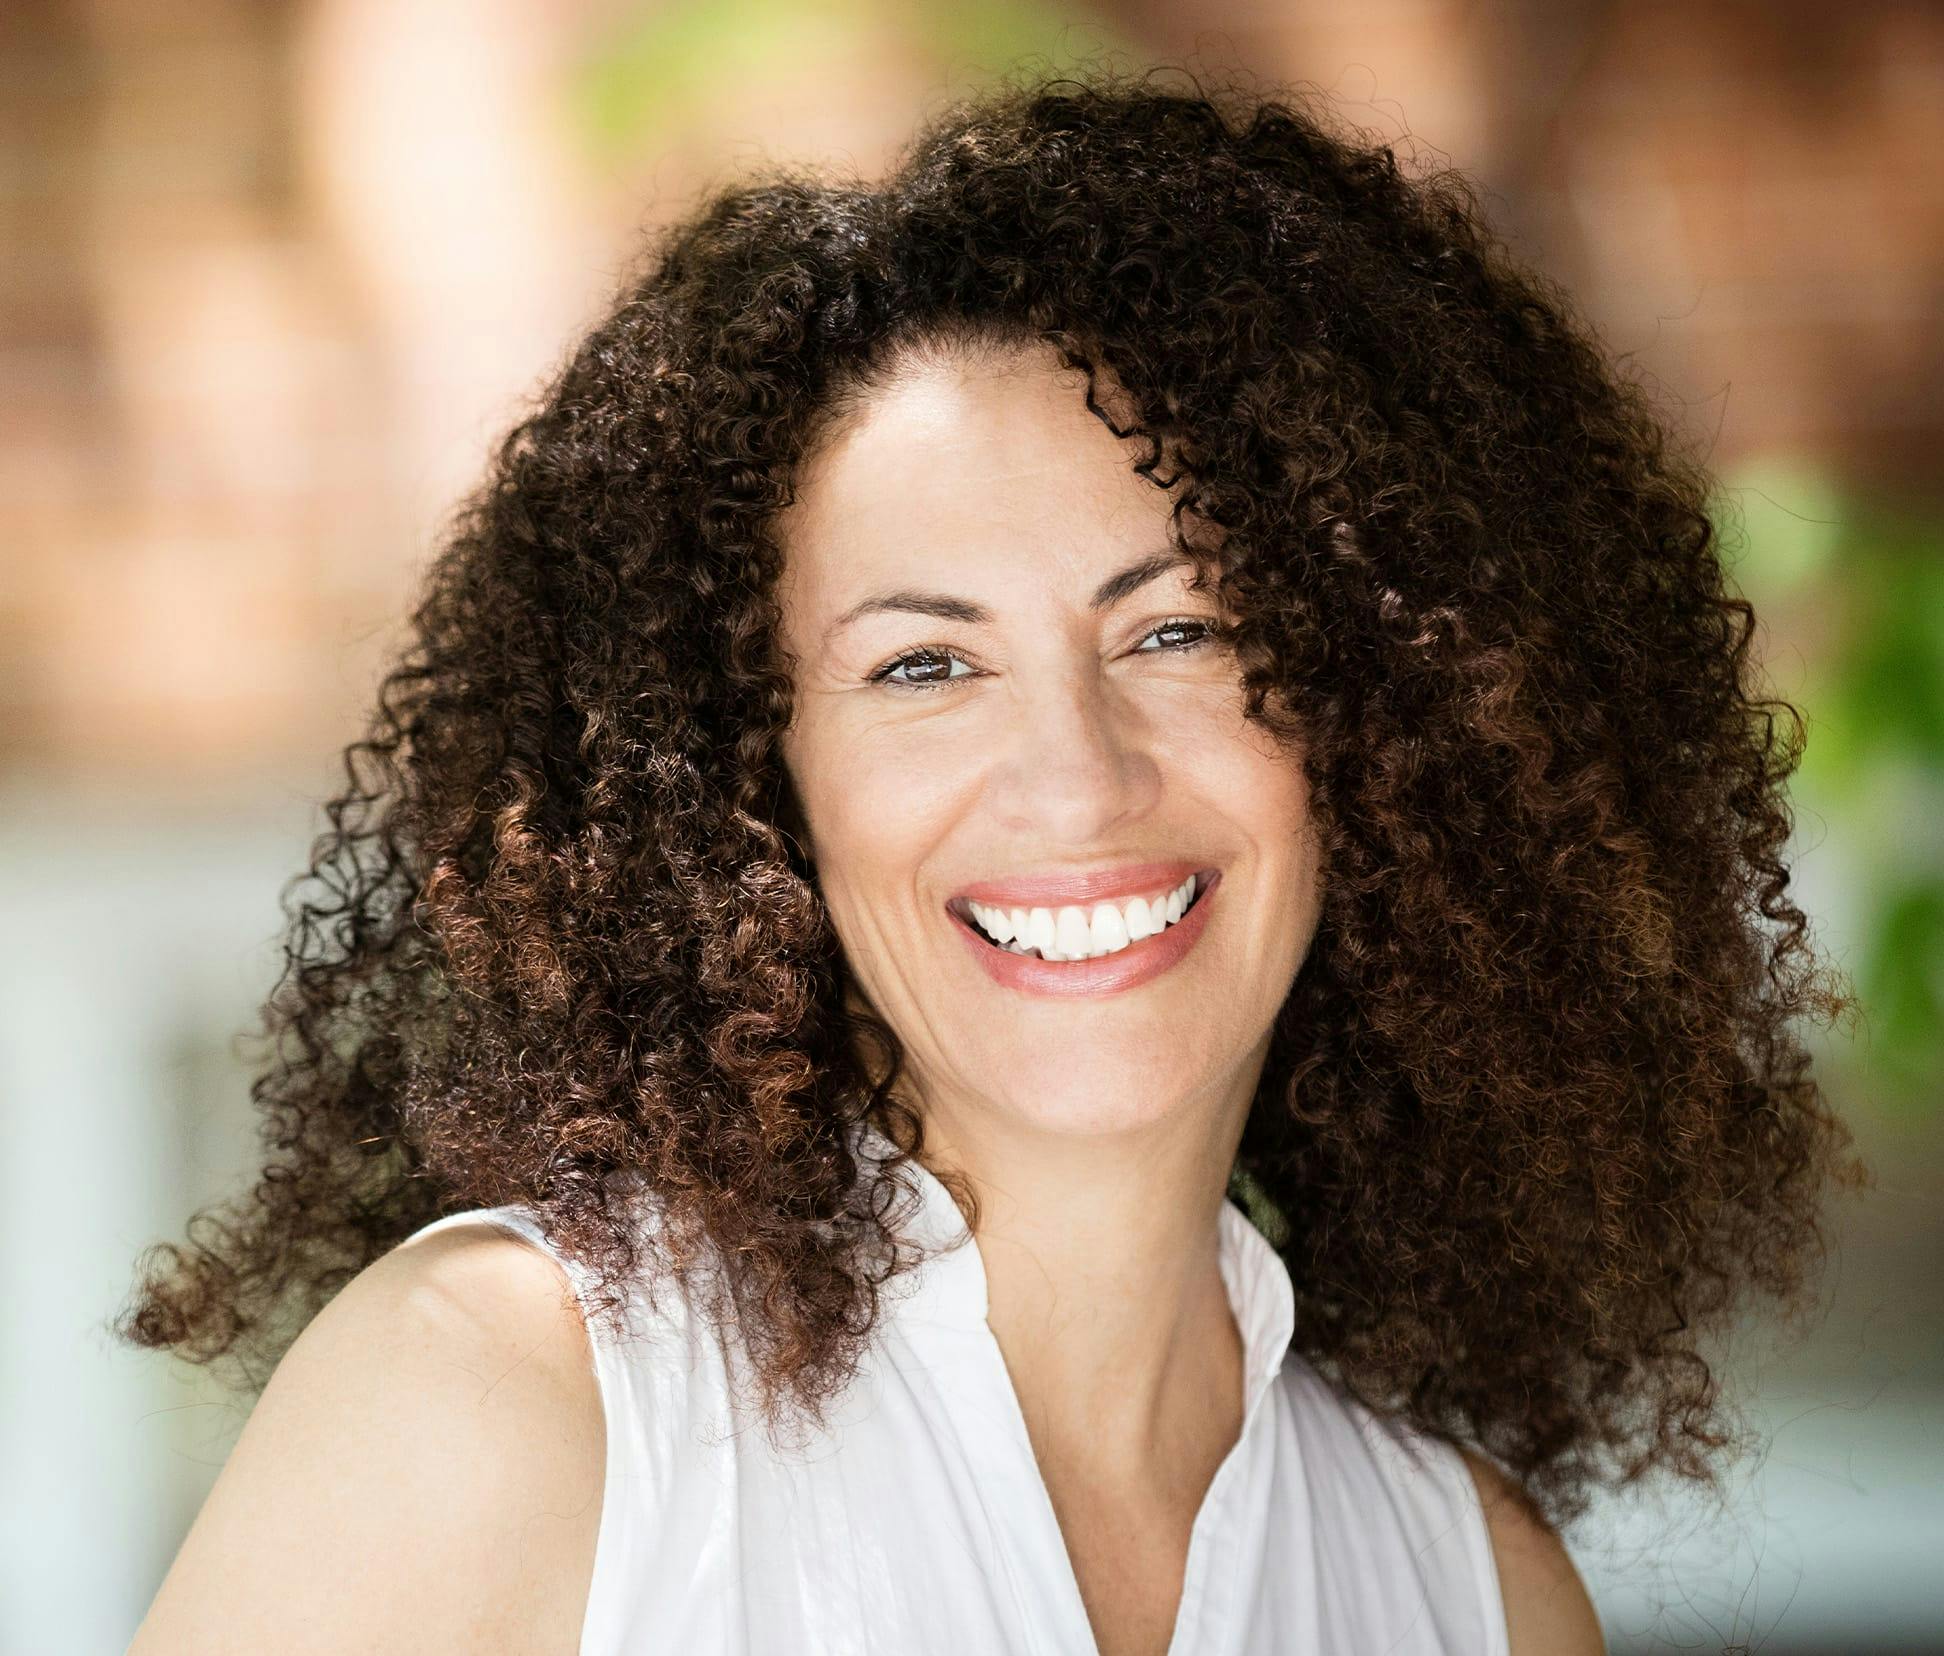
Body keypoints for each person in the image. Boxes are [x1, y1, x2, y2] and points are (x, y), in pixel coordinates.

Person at [121, 65, 1857, 1656]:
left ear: (1394, 709)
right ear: (748, 784)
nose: (1079, 781)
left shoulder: (1473, 1593)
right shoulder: (508, 1407)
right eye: (924, 665)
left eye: (1182, 631)